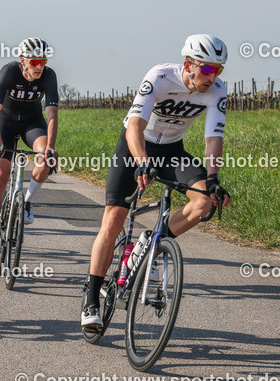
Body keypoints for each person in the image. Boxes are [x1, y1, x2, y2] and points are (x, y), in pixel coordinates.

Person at [80, 34, 233, 331]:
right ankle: (91, 297)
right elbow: (135, 125)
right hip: (136, 147)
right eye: (206, 70)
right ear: (188, 65)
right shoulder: (160, 76)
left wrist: (213, 178)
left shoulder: (217, 90)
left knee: (203, 203)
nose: (212, 77)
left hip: (172, 150)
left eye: (218, 70)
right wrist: (142, 161)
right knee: (113, 219)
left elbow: (214, 137)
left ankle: (151, 242)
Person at [0, 37, 59, 265]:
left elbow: (52, 115)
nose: (39, 66)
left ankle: (26, 202)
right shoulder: (9, 71)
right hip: (5, 123)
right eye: (34, 62)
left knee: (45, 161)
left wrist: (51, 147)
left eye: (42, 61)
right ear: (23, 60)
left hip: (32, 122)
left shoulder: (49, 75)